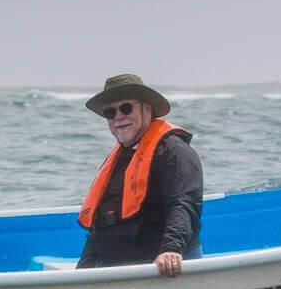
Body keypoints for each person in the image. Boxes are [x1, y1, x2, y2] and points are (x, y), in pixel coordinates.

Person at [76, 74, 203, 277]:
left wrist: (171, 249)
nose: (118, 117)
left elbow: (183, 204)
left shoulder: (175, 152)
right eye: (110, 112)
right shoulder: (118, 159)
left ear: (147, 109)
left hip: (157, 271)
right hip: (113, 272)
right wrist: (81, 274)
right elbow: (100, 227)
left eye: (126, 108)